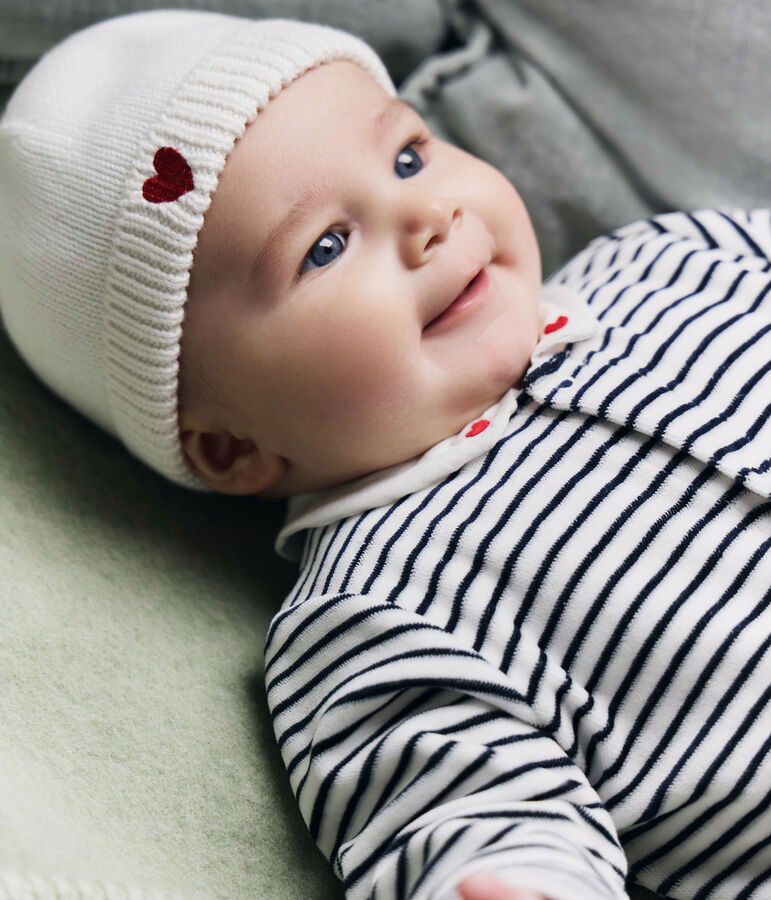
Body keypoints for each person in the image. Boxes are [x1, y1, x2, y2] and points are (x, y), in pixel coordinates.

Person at [0, 10, 768, 900]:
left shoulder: (661, 261)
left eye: (407, 155)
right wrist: (507, 881)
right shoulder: (372, 609)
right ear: (230, 447)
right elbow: (457, 802)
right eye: (324, 248)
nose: (424, 215)